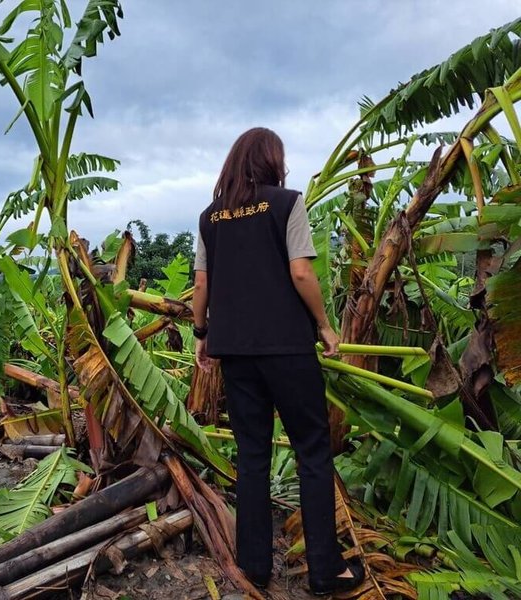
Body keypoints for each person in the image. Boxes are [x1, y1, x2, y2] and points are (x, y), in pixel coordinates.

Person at [192, 127, 365, 595]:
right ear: (272, 160)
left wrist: (201, 334)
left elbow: (202, 286)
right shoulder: (287, 203)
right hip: (287, 347)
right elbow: (301, 270)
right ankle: (325, 571)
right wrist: (326, 326)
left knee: (252, 456)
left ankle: (255, 568)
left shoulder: (211, 217)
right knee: (312, 451)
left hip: (236, 353)